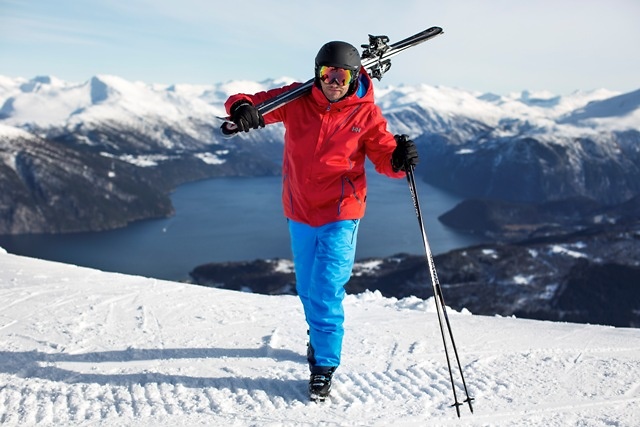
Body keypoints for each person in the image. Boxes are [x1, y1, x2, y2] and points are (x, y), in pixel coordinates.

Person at [224, 40, 419, 401]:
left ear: (353, 77)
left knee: (326, 289)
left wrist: (398, 160)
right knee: (307, 289)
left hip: (341, 211)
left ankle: (323, 366)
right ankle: (317, 336)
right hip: (299, 208)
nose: (333, 82)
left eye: (341, 76)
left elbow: (383, 156)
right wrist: (242, 109)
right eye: (327, 74)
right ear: (317, 73)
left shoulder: (365, 115)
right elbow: (248, 101)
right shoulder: (297, 100)